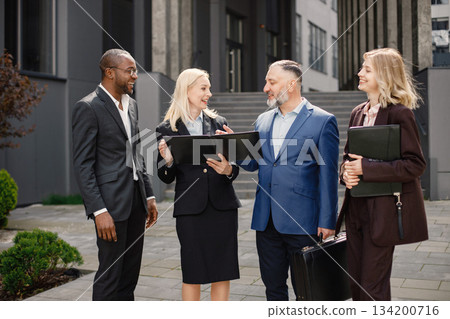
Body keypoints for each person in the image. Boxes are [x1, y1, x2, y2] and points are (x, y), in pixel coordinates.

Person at [226, 60, 339, 300]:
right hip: (266, 222)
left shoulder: (322, 120)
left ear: (291, 84)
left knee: (307, 291)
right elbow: (256, 162)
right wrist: (234, 147)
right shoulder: (263, 120)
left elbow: (328, 175)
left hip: (304, 221)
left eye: (271, 82)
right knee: (273, 289)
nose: (265, 87)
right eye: (267, 82)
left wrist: (328, 220)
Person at [339, 48, 428, 301]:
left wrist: (366, 168)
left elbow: (415, 164)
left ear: (385, 75)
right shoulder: (358, 112)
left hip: (383, 213)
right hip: (355, 210)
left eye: (367, 70)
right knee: (356, 284)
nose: (360, 73)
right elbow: (348, 157)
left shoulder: (401, 114)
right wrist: (346, 173)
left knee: (371, 288)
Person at [72, 49, 158, 300]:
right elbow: (83, 164)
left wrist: (149, 195)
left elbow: (136, 154)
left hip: (136, 202)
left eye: (135, 70)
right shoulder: (87, 107)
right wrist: (99, 211)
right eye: (130, 70)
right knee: (109, 276)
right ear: (110, 72)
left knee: (129, 276)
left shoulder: (132, 106)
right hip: (110, 206)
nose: (135, 76)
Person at [156, 68, 241, 301]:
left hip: (223, 208)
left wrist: (229, 169)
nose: (209, 93)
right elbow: (165, 177)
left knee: (222, 271)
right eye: (204, 88)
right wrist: (169, 161)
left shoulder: (219, 122)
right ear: (187, 90)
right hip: (190, 211)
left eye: (209, 88)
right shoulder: (166, 129)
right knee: (192, 273)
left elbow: (232, 168)